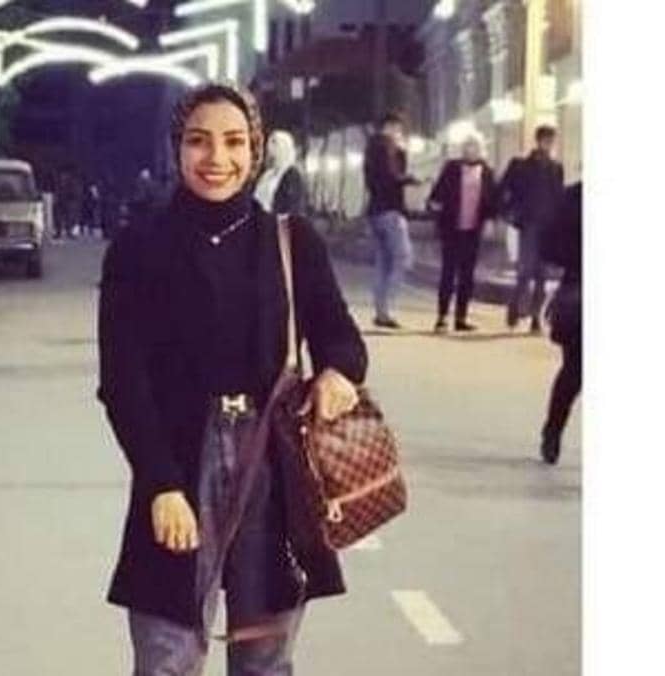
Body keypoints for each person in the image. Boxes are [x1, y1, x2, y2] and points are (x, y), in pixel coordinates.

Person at [97, 82, 368, 674]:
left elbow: (342, 339)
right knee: (166, 656)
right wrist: (161, 485)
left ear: (256, 148)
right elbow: (123, 382)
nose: (216, 157)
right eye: (199, 141)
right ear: (177, 148)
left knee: (265, 660)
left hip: (272, 465)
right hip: (178, 459)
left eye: (234, 141)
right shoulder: (138, 249)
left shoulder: (293, 242)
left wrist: (337, 375)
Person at [426, 134, 499, 332]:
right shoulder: (452, 167)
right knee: (448, 273)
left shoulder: (487, 172)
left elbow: (492, 200)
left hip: (473, 230)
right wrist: (435, 207)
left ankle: (461, 318)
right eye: (468, 146)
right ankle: (442, 316)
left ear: (481, 149)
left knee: (467, 275)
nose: (471, 149)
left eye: (475, 146)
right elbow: (438, 193)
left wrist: (490, 221)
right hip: (451, 228)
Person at [498, 125, 565, 333]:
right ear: (538, 141)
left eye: (551, 141)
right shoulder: (520, 165)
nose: (548, 144)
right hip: (528, 224)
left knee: (542, 274)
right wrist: (508, 212)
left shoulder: (556, 168)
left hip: (548, 226)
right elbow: (503, 189)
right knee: (525, 271)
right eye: (546, 140)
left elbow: (559, 197)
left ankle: (535, 317)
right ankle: (516, 306)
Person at [364, 112, 420, 329]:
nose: (400, 133)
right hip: (390, 211)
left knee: (383, 261)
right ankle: (387, 309)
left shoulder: (371, 148)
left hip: (375, 211)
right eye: (398, 129)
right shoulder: (386, 147)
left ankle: (381, 310)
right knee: (403, 258)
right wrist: (410, 176)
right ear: (391, 127)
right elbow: (392, 176)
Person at [539, 181, 582, 464]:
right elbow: (550, 244)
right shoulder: (576, 197)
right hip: (581, 288)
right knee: (575, 370)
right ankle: (553, 430)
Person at [254, 130, 307, 217]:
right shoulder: (267, 174)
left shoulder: (291, 175)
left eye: (274, 143)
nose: (269, 147)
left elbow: (292, 207)